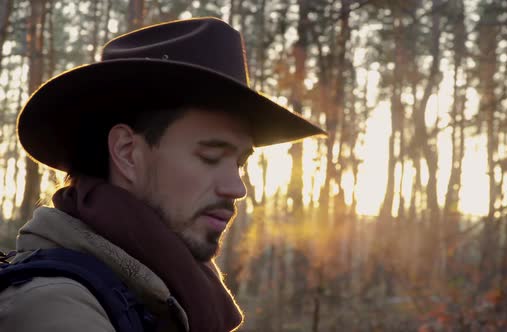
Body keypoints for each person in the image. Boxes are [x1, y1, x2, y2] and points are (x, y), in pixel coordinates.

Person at [0, 17, 325, 332]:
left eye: (239, 163)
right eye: (210, 156)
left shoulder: (178, 297)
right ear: (127, 153)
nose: (237, 187)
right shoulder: (52, 307)